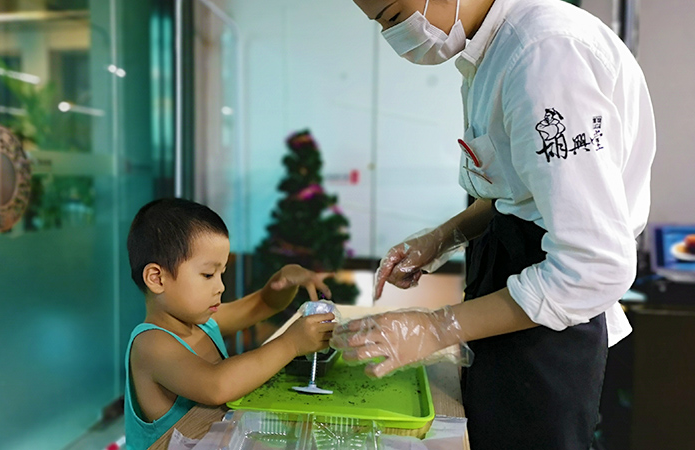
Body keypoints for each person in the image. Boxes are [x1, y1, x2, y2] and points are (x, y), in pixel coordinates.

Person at [330, 1, 656, 449]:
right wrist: (444, 236)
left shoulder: (545, 56)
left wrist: (434, 328)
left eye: (391, 16)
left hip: (548, 320)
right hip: (512, 285)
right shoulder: (492, 50)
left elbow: (591, 268)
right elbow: (524, 193)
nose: (394, 36)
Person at [125, 198, 335, 449]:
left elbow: (263, 305)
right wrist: (291, 344)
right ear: (157, 278)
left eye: (221, 273)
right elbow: (216, 386)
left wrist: (284, 281)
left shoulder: (202, 322)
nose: (221, 286)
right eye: (208, 275)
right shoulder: (150, 344)